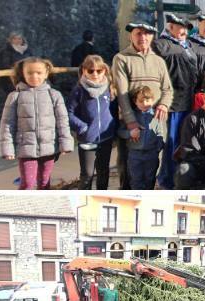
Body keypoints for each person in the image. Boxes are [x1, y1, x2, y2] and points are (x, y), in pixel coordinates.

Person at [112, 21, 172, 190]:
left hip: (153, 121)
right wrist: (130, 121)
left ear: (152, 36)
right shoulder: (122, 59)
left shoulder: (159, 61)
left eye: (146, 34)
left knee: (150, 169)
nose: (142, 37)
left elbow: (167, 89)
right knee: (128, 167)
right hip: (132, 122)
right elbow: (122, 95)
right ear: (131, 35)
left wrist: (164, 105)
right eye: (138, 33)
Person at [0, 57, 73, 190]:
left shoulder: (54, 95)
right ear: (23, 73)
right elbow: (7, 124)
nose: (34, 76)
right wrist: (7, 148)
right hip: (26, 149)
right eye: (30, 73)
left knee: (44, 183)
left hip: (49, 148)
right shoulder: (15, 96)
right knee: (28, 183)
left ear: (46, 73)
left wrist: (65, 144)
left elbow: (63, 121)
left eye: (38, 73)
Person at [152, 13, 198, 189]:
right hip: (172, 104)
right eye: (180, 27)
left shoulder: (188, 46)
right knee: (170, 145)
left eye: (186, 28)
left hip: (188, 101)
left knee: (183, 143)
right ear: (170, 26)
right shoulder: (160, 45)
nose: (184, 31)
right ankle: (166, 181)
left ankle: (179, 178)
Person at [67, 54, 117, 190]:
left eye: (98, 70)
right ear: (84, 71)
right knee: (87, 173)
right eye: (90, 71)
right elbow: (69, 113)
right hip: (87, 139)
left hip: (106, 138)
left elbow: (113, 111)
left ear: (104, 70)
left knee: (103, 171)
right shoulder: (79, 91)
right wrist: (82, 127)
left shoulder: (109, 89)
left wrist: (113, 128)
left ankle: (102, 196)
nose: (95, 74)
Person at [117, 85, 166, 189]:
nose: (144, 104)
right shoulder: (131, 117)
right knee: (136, 180)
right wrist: (130, 133)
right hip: (135, 155)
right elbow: (120, 132)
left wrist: (157, 148)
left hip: (151, 155)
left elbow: (160, 133)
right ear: (135, 101)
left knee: (150, 179)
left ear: (152, 100)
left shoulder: (155, 116)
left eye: (147, 100)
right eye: (141, 101)